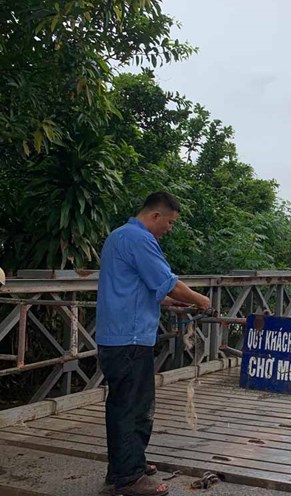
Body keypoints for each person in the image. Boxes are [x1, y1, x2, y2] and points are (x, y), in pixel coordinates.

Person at [96, 192, 210, 496]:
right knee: (134, 407)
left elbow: (138, 285)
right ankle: (130, 477)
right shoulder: (139, 239)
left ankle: (123, 465)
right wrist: (201, 300)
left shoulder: (118, 236)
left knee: (121, 403)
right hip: (130, 337)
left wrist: (169, 302)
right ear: (156, 216)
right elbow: (167, 280)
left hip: (115, 335)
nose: (169, 229)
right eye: (169, 223)